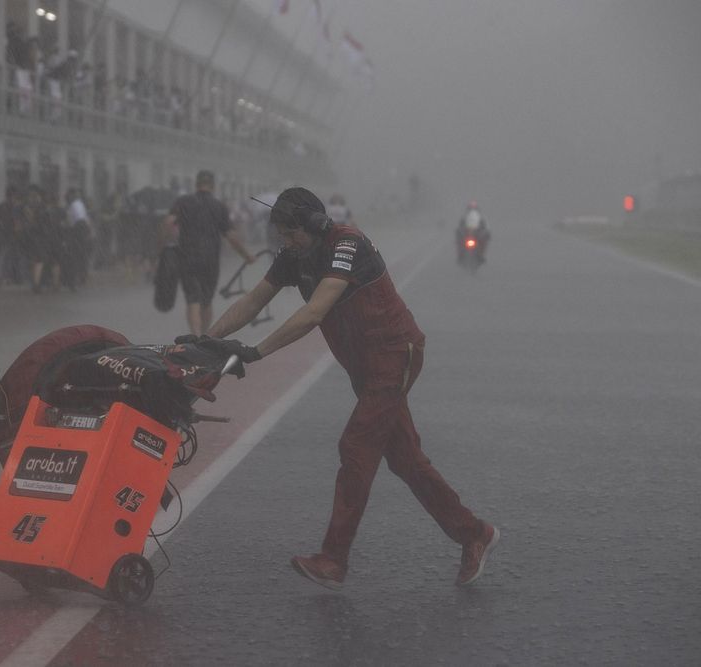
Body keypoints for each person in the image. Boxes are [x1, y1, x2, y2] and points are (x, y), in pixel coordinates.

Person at [193, 187, 499, 589]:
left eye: (291, 234)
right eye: (282, 235)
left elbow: (314, 312)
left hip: (395, 353)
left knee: (356, 447)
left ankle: (334, 559)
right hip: (364, 367)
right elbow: (252, 302)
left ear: (315, 225)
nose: (286, 243)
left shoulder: (346, 244)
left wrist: (257, 352)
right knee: (406, 461)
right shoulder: (294, 256)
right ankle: (474, 532)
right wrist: (204, 341)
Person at [163, 170, 255, 335]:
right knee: (206, 300)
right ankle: (204, 336)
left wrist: (166, 244)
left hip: (187, 256)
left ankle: (195, 334)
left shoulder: (183, 202)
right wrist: (246, 256)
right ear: (213, 186)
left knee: (192, 299)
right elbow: (230, 236)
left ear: (196, 184)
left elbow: (169, 223)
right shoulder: (219, 206)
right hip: (210, 258)